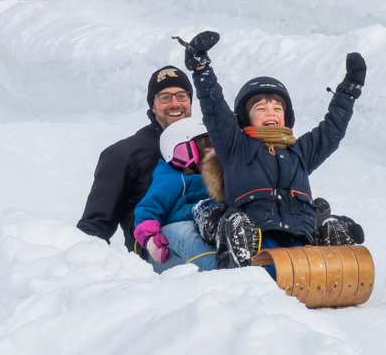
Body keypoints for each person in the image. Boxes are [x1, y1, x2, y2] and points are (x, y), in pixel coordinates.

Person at [178, 30, 366, 268]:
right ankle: (239, 260)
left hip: (300, 239)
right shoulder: (236, 147)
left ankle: (334, 259)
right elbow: (215, 110)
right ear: (246, 118)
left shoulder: (300, 151)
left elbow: (332, 129)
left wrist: (348, 92)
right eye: (261, 107)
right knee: (237, 223)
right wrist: (201, 67)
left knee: (327, 222)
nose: (271, 112)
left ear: (286, 118)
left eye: (278, 108)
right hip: (257, 238)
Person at [78, 65, 195, 258]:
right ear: (152, 105)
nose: (175, 104)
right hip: (157, 256)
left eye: (182, 96)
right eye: (165, 97)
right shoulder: (124, 154)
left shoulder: (208, 145)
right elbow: (94, 227)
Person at [133, 117, 218, 272]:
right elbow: (147, 209)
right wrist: (151, 240)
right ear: (183, 151)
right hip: (167, 246)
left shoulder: (217, 177)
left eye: (216, 151)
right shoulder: (171, 179)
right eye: (207, 151)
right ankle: (222, 271)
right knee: (186, 232)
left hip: (204, 231)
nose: (213, 157)